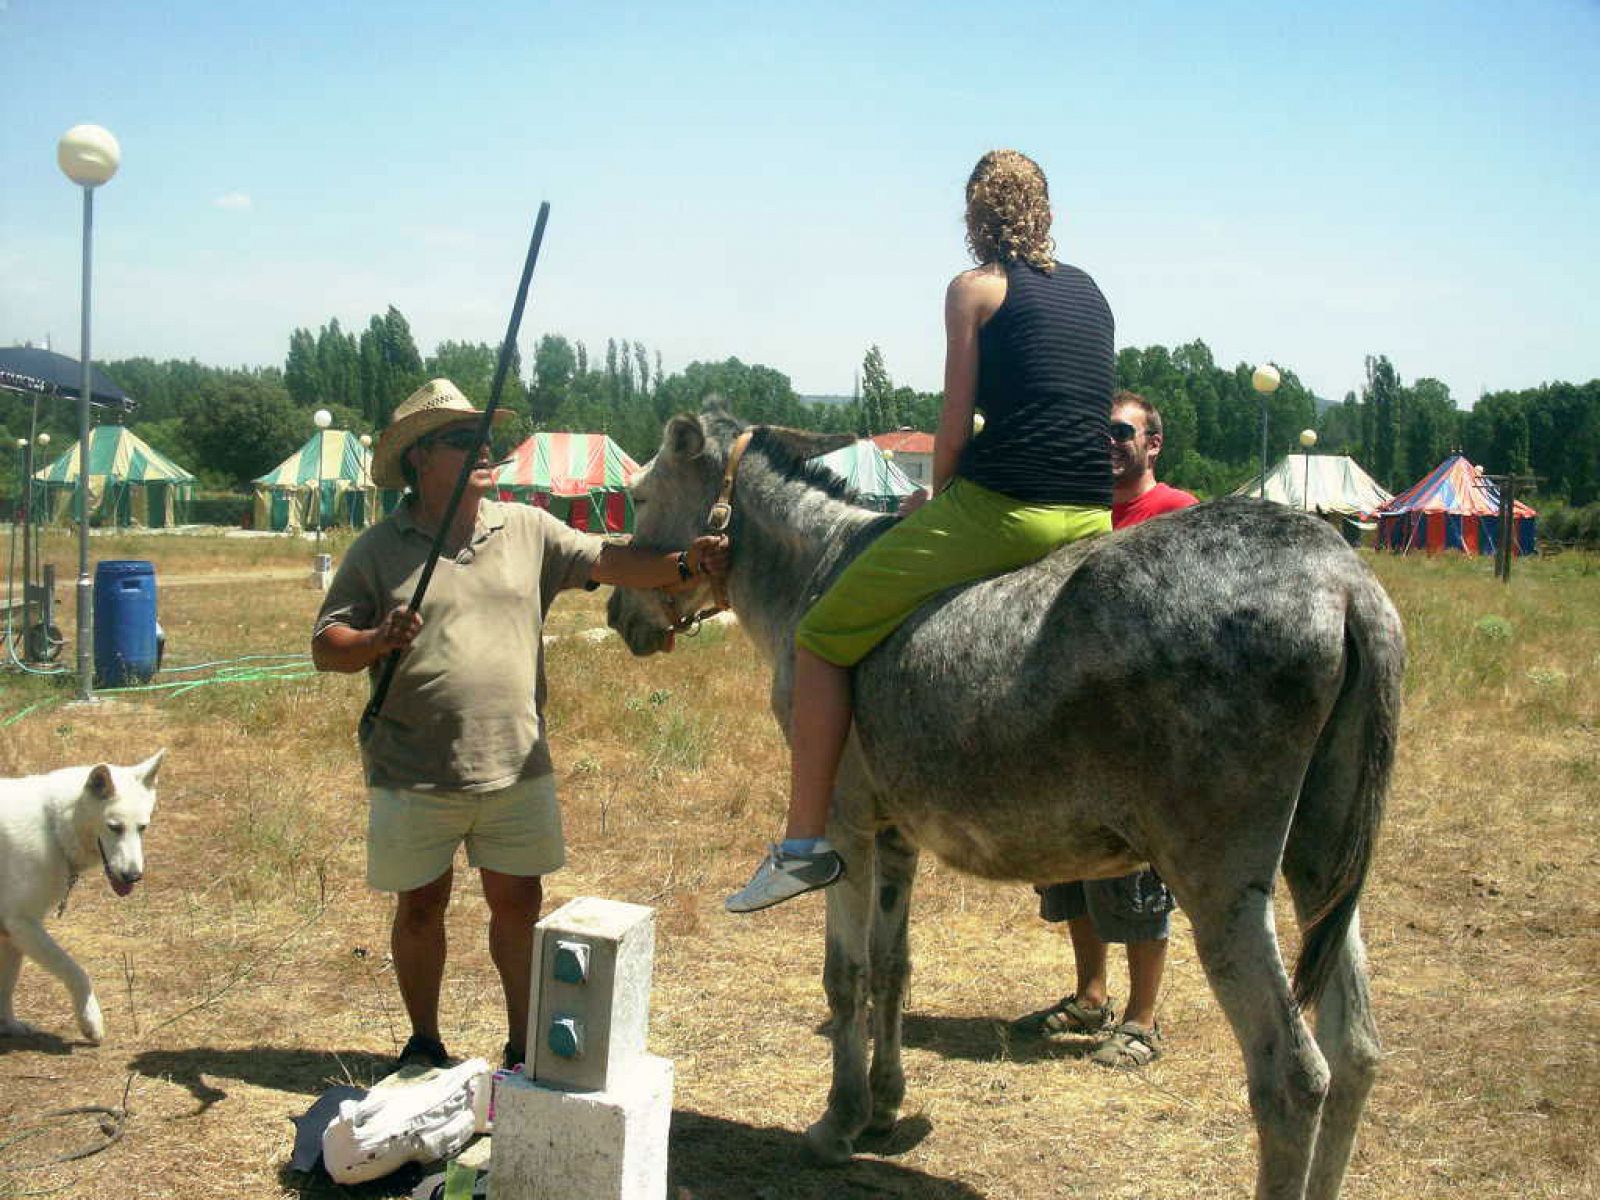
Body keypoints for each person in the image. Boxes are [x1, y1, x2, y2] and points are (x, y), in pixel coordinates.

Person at [726, 149, 1116, 913]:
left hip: (1009, 508)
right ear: (1045, 210)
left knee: (819, 635)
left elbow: (953, 418)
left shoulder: (974, 290)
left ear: (975, 216)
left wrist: (938, 503)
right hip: (1091, 511)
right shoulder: (1092, 293)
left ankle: (803, 844)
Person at [313, 378, 728, 1072]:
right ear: (418, 459)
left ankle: (522, 1044)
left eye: (485, 436)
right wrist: (377, 639)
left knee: (519, 909)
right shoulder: (379, 549)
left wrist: (686, 562)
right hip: (414, 766)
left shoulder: (528, 528)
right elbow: (326, 648)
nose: (484, 448)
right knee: (419, 910)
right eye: (460, 439)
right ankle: (424, 1043)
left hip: (517, 762)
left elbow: (611, 561)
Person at [1021, 391, 1197, 1069]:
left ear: (1153, 443)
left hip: (1141, 730)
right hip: (1067, 724)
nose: (1110, 441)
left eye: (1123, 432)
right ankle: (1090, 994)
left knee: (1140, 871)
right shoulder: (1081, 514)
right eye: (1102, 432)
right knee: (1070, 868)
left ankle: (1142, 1018)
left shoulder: (1175, 514)